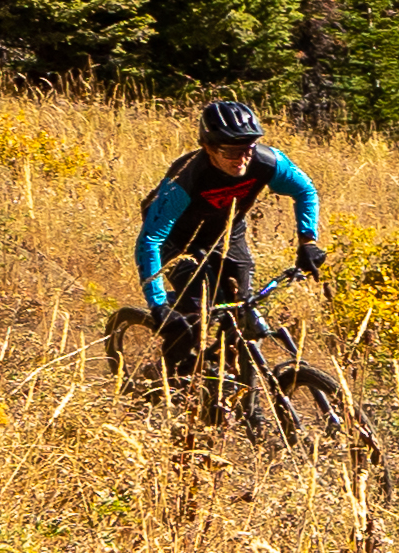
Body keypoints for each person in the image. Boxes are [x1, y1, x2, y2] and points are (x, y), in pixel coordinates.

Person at [135, 99, 326, 365]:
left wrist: (308, 241)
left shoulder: (267, 162)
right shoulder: (186, 179)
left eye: (248, 148)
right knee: (194, 316)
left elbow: (305, 190)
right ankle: (166, 377)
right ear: (208, 147)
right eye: (230, 152)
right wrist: (158, 306)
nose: (242, 159)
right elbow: (150, 240)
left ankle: (228, 383)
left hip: (226, 232)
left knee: (242, 309)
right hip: (176, 239)